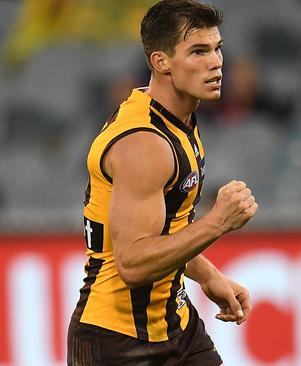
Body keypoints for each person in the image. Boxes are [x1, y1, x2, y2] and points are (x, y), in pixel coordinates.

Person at [67, 1, 258, 365]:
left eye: (217, 48)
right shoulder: (144, 144)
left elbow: (166, 227)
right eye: (198, 51)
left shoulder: (176, 118)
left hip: (177, 325)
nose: (216, 62)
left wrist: (207, 275)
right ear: (161, 62)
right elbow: (133, 263)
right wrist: (217, 222)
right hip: (117, 343)